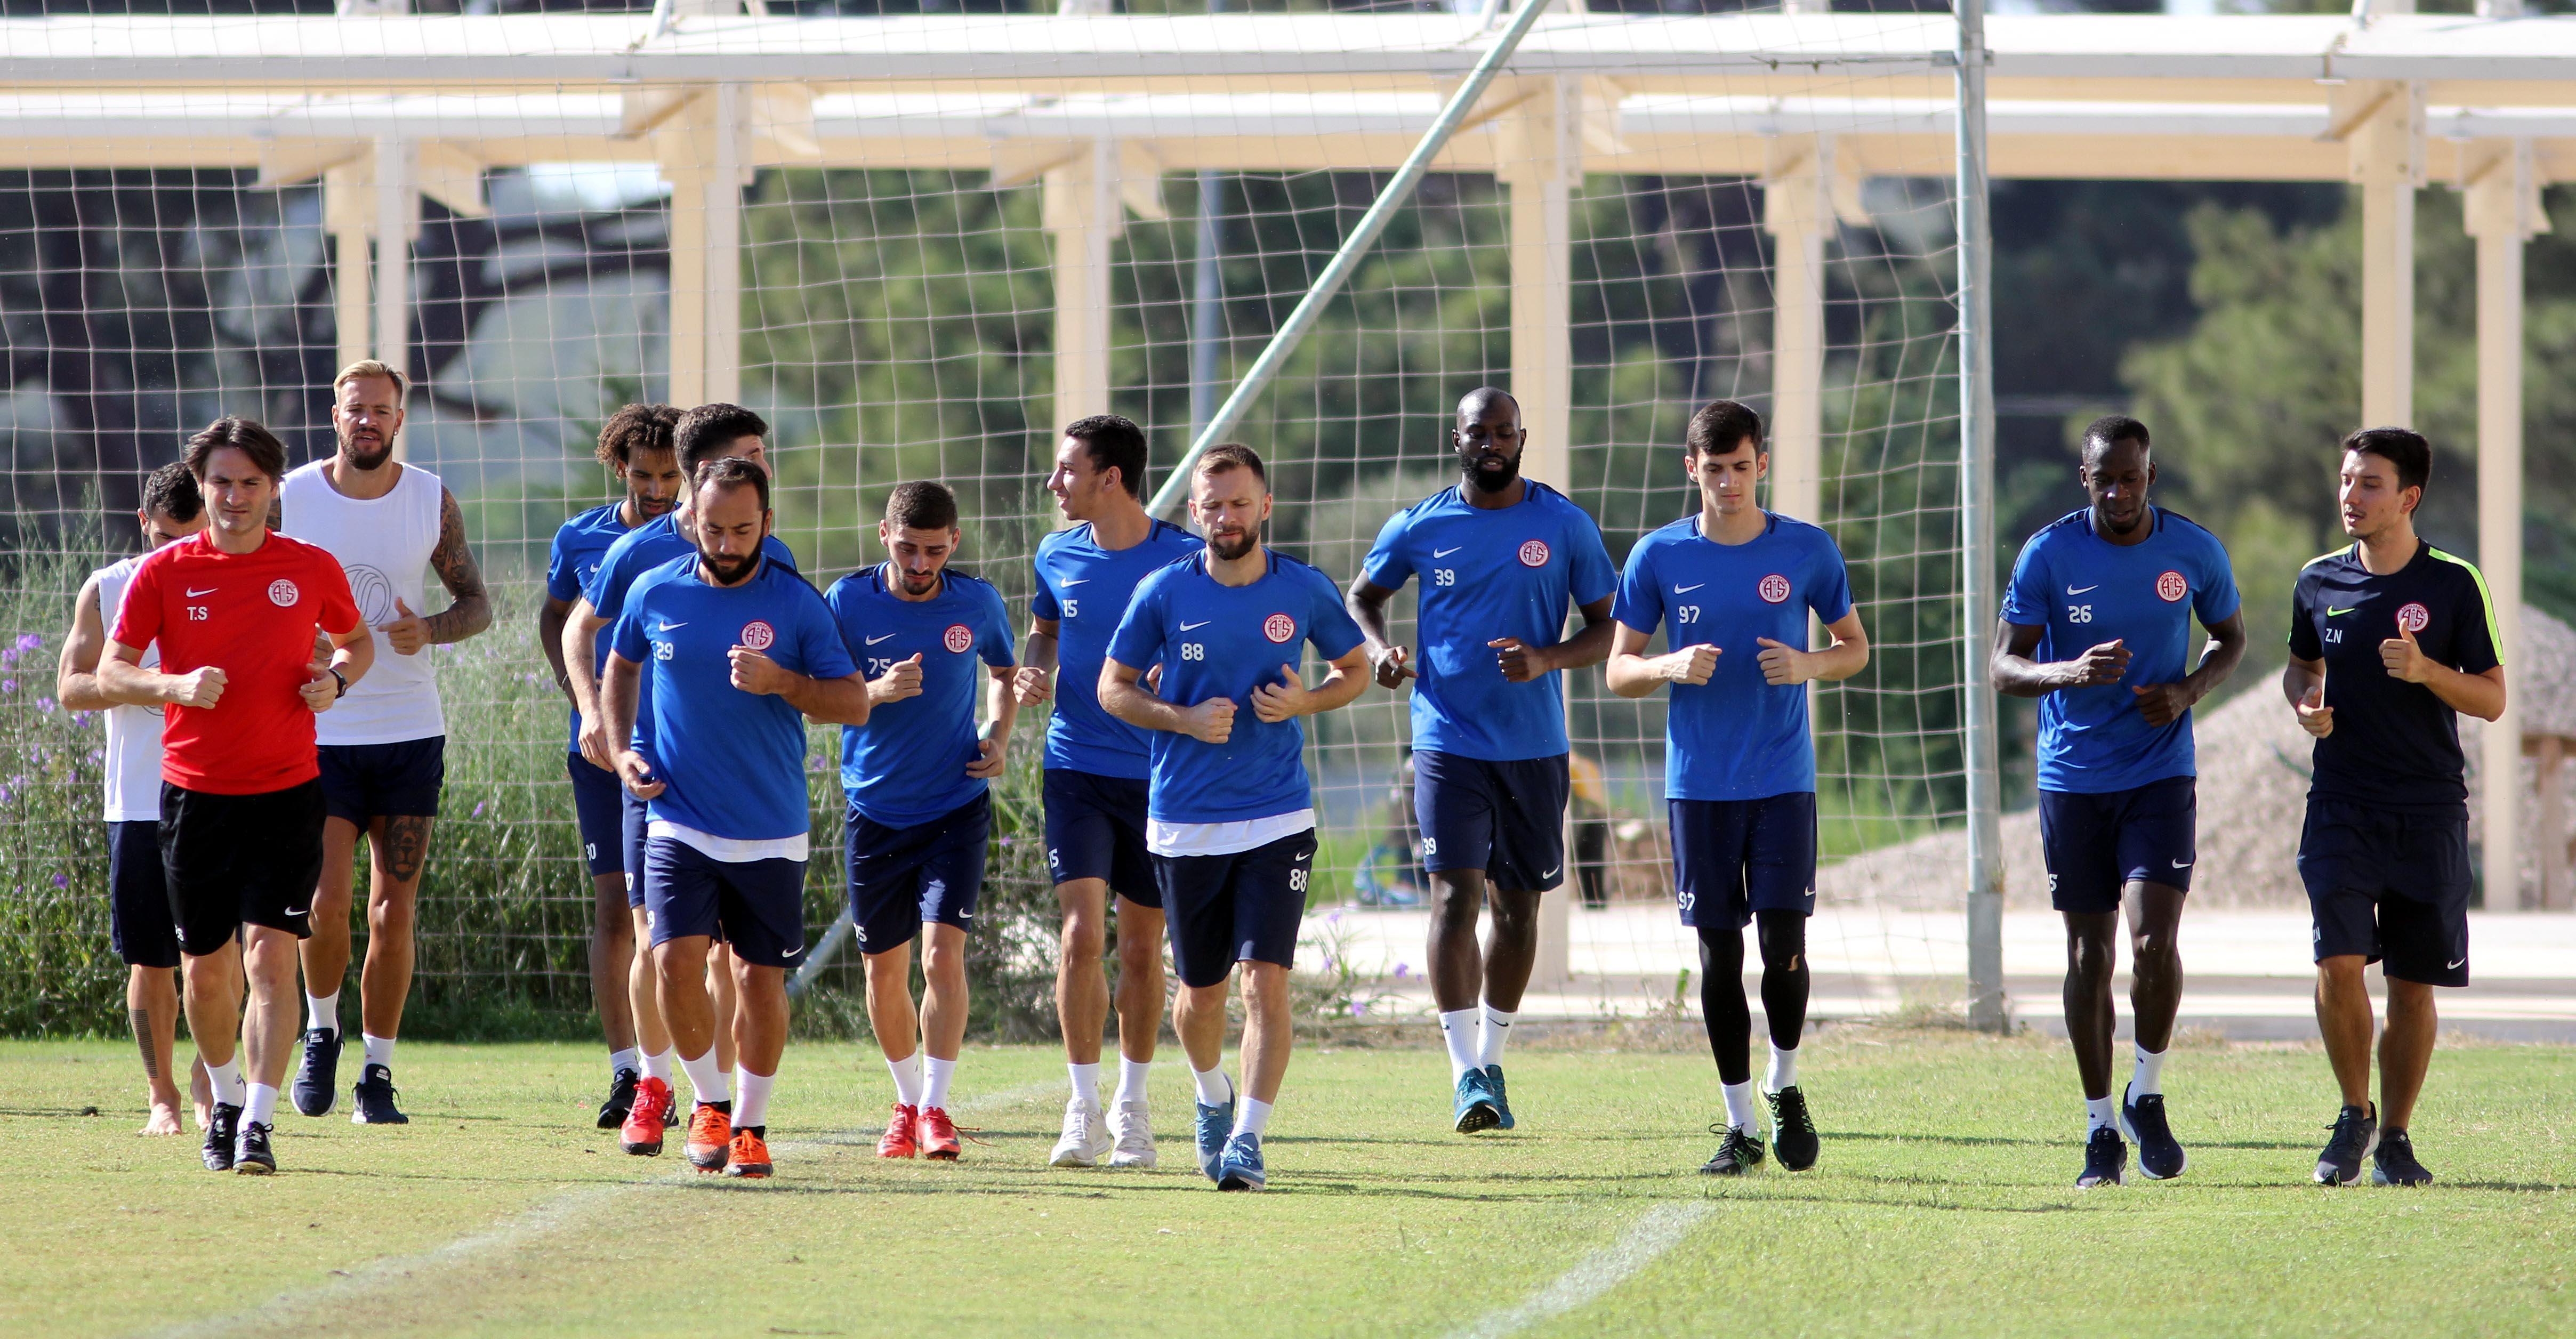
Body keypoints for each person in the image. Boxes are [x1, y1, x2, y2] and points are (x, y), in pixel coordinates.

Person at [101, 417, 373, 1174]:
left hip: (288, 793)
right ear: (201, 485)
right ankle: (222, 1098)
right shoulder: (164, 572)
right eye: (221, 481)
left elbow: (357, 642)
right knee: (204, 971)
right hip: (194, 798)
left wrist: (336, 681)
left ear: (273, 488)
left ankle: (256, 1120)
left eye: (251, 482)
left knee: (271, 961)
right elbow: (112, 670)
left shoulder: (309, 566)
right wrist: (173, 684)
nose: (235, 496)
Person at [1605, 400, 1867, 1177]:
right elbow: (1618, 669)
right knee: (1719, 955)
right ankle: (1740, 1123)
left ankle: (1783, 1082)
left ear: (1762, 466)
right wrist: (1667, 665)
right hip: (1699, 786)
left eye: (1741, 467)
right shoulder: (1657, 555)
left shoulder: (1806, 549)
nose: (1728, 482)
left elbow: (1853, 647)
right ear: (1692, 469)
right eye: (1713, 469)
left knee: (1783, 948)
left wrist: (1809, 664)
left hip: (1782, 781)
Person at [1347, 386, 1616, 1134]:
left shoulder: (1563, 524)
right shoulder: (1420, 524)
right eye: (1478, 432)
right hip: (1445, 741)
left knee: (1517, 911)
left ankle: (1492, 1057)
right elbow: (1361, 598)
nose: (1491, 443)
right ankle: (1464, 1071)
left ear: (1521, 439)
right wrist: (1380, 652)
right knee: (1452, 899)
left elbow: (1612, 627)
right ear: (1456, 439)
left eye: (1503, 432)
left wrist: (1547, 659)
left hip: (1534, 747)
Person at [1101, 443, 1370, 1191]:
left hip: (1277, 815)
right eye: (1213, 505)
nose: (1227, 517)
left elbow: (1353, 670)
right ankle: (1211, 1093)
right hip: (1185, 821)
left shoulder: (1303, 588)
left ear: (1265, 507)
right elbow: (1112, 688)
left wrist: (1305, 701)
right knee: (1199, 996)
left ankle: (1248, 1138)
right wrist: (1182, 719)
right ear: (1194, 512)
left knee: (1264, 983)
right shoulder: (1162, 591)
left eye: (1240, 503)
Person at [1990, 415, 2245, 1188]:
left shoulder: (2193, 550)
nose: (2118, 492)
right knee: (2087, 954)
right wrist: (2067, 672)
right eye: (2104, 479)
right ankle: (2100, 1126)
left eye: (2130, 477)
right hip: (2073, 779)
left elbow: (2230, 638)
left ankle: (2148, 1092)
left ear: (2150, 475)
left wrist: (2188, 690)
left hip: (2159, 773)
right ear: (2085, 479)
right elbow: (2003, 667)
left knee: (2152, 942)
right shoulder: (2048, 553)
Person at [602, 457, 868, 1179]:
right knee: (672, 960)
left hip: (769, 827)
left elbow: (853, 702)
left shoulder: (797, 603)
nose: (725, 544)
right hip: (678, 818)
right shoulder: (655, 590)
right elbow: (621, 664)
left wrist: (783, 681)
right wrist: (623, 748)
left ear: (767, 524)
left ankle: (751, 1123)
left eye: (742, 530)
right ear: (691, 519)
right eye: (713, 528)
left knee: (757, 982)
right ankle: (709, 1104)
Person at [562, 403, 796, 1157]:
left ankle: (715, 1102)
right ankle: (653, 1085)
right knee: (656, 942)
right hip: (656, 782)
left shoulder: (771, 553)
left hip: (743, 796)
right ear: (705, 473)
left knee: (732, 958)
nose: (761, 465)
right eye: (749, 454)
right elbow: (578, 631)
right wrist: (597, 717)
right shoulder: (639, 554)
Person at [2283, 427, 2505, 1188]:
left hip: (2428, 810)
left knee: (2412, 984)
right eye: (2347, 480)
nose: (2351, 495)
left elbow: (2492, 699)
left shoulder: (2454, 583)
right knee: (2337, 960)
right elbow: (2300, 666)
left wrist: (2426, 670)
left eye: (2369, 483)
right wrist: (2305, 703)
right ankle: (2354, 1113)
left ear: (2408, 497)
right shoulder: (2317, 580)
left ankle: (2397, 1139)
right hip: (2340, 804)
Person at [281, 360, 493, 1126]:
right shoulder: (292, 498)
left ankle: (377, 1071)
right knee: (324, 900)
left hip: (409, 732)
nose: (367, 420)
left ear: (400, 419)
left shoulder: (430, 498)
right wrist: (291, 637)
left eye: (381, 409)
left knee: (390, 912)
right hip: (321, 729)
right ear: (334, 415)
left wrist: (428, 629)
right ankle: (321, 1032)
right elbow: (255, 589)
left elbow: (478, 604)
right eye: (355, 408)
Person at [1013, 415, 1202, 1169]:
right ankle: (1081, 1108)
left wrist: (1176, 677)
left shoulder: (1185, 559)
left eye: (1066, 469)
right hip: (1075, 770)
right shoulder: (1055, 552)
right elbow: (1045, 630)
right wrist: (1033, 667)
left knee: (1142, 948)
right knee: (1080, 938)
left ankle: (1134, 1107)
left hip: (1159, 778)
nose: (1053, 483)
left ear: (1111, 477)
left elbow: (1209, 647)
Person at [826, 481, 1018, 1163]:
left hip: (954, 806)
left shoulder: (977, 602)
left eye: (934, 551)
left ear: (954, 542)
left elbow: (1005, 672)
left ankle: (935, 1107)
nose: (919, 563)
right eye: (907, 548)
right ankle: (906, 1103)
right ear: (885, 534)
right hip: (874, 810)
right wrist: (873, 692)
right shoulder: (846, 601)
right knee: (885, 972)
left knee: (941, 956)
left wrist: (998, 735)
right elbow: (813, 699)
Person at [537, 404, 685, 1130]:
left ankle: (695, 1074)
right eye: (644, 475)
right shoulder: (582, 537)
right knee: (615, 911)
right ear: (619, 467)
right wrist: (583, 703)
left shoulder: (704, 537)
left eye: (670, 476)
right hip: (599, 754)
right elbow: (555, 619)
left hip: (681, 752)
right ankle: (629, 1071)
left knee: (685, 923)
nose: (657, 490)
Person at [55, 461, 212, 1136]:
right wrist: (154, 683)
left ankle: (212, 1083)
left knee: (217, 956)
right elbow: (71, 687)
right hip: (139, 803)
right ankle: (162, 1096)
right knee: (150, 960)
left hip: (218, 793)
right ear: (143, 523)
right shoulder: (110, 586)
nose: (176, 551)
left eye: (191, 536)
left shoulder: (237, 579)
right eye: (165, 537)